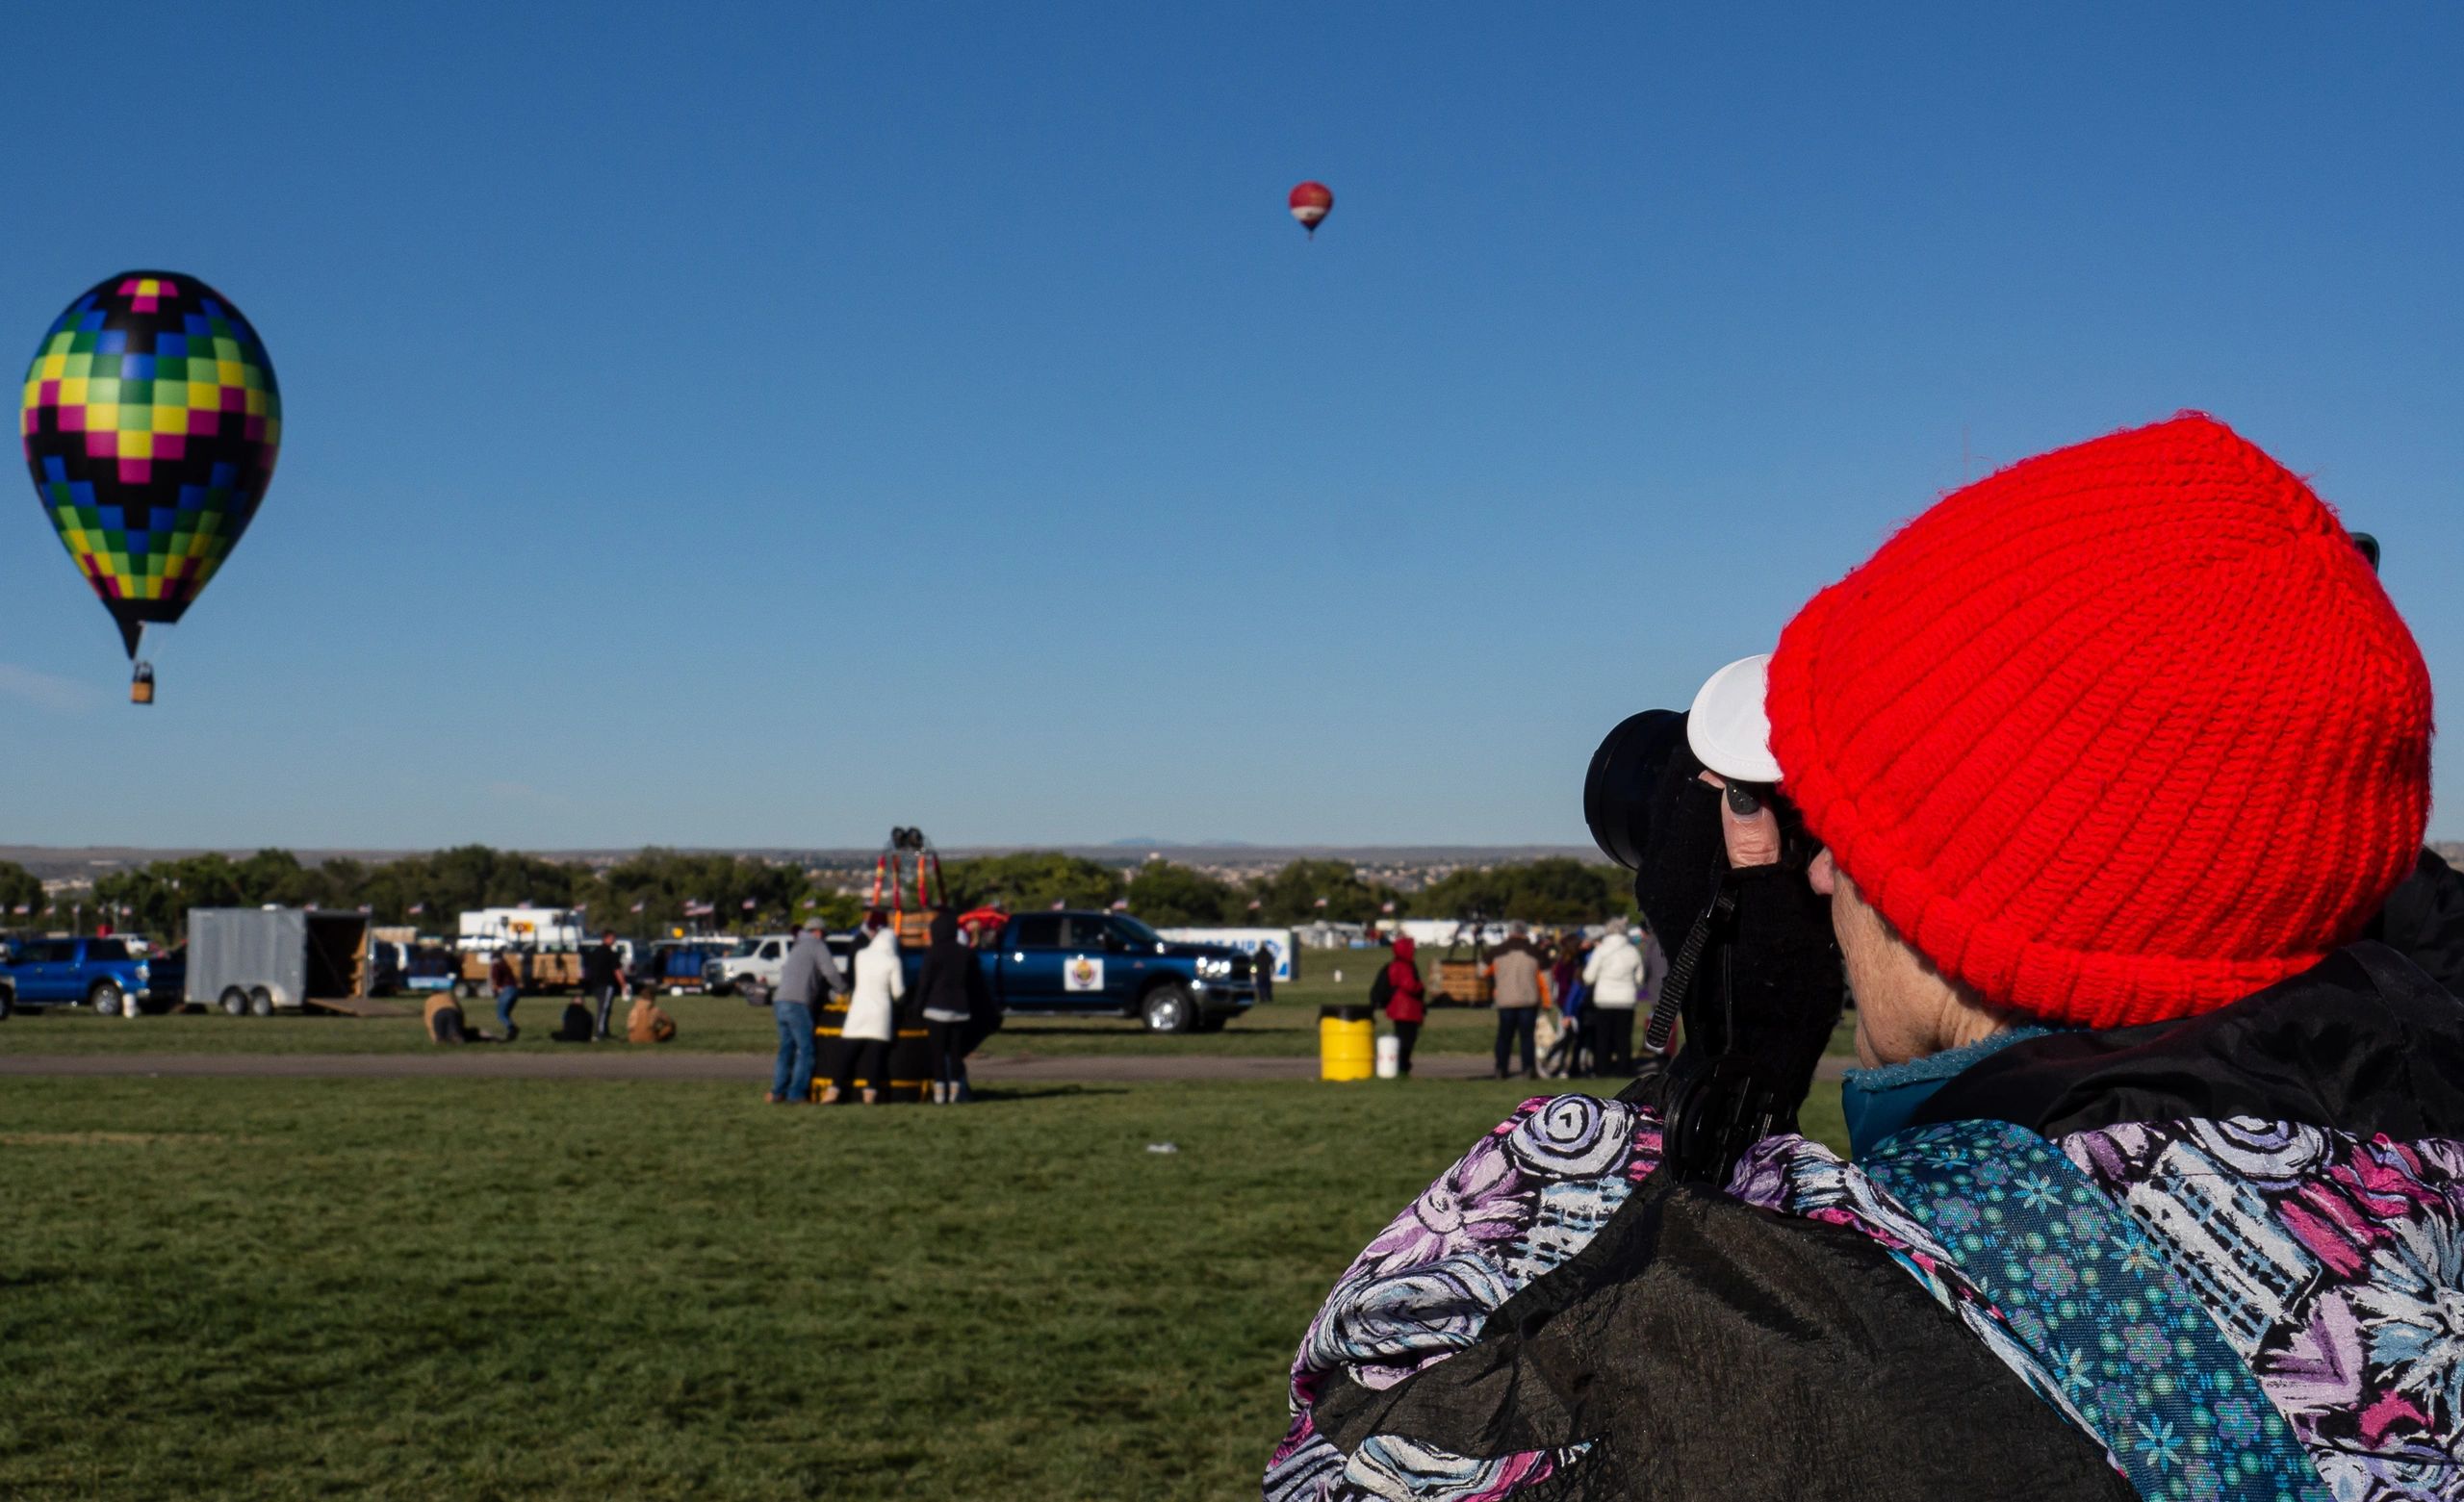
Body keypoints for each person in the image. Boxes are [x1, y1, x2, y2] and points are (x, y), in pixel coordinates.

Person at [1267, 415, 2452, 1501]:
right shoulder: (2415, 1178)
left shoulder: (1824, 1358)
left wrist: (1713, 1082)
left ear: (1971, 897)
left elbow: (1361, 1444)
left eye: (1842, 830)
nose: (1818, 874)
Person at [769, 920, 847, 1105]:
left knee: (786, 1049)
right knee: (806, 1050)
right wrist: (843, 988)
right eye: (825, 935)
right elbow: (830, 971)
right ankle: (796, 1094)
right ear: (818, 932)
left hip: (780, 1001)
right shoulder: (816, 944)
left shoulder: (797, 946)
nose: (825, 939)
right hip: (797, 1003)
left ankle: (778, 1091)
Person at [830, 917, 905, 1106]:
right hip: (881, 1013)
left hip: (858, 1010)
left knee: (846, 1054)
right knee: (874, 1057)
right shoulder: (893, 960)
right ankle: (869, 1094)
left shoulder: (861, 955)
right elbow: (898, 992)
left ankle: (833, 1090)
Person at [917, 908, 987, 1105]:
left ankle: (940, 1093)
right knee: (955, 1054)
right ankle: (956, 1091)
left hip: (935, 1009)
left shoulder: (932, 953)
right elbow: (974, 983)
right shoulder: (965, 953)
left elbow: (924, 983)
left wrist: (917, 1007)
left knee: (937, 1054)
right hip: (960, 1009)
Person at [1581, 919, 1660, 1074]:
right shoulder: (1632, 951)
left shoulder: (1601, 950)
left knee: (1603, 1037)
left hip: (1604, 1000)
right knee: (1623, 1037)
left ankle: (1602, 1068)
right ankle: (1624, 1068)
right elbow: (1639, 978)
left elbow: (1589, 976)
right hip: (1626, 999)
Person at [1484, 925, 1543, 1079]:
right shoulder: (1534, 951)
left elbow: (1481, 970)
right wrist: (1545, 1000)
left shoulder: (1497, 951)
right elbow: (1545, 977)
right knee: (1527, 1037)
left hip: (1505, 999)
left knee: (1504, 1036)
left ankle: (1500, 1068)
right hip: (1528, 1000)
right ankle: (1528, 1068)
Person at [1380, 935, 1426, 1076]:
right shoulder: (1404, 965)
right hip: (1406, 1009)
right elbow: (1409, 985)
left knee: (1402, 1037)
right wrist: (1420, 986)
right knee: (1407, 1040)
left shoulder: (1396, 964)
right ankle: (1402, 1066)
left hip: (1400, 1008)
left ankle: (1402, 1065)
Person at [582, 929, 626, 1041]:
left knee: (604, 1008)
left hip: (595, 984)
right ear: (607, 938)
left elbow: (588, 969)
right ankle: (599, 1033)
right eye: (613, 937)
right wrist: (623, 984)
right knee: (604, 1009)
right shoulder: (610, 953)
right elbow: (617, 970)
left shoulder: (595, 952)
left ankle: (605, 1031)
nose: (614, 940)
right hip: (606, 984)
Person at [488, 951, 521, 1042]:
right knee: (506, 1014)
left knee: (501, 1014)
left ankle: (513, 1029)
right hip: (514, 990)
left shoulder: (496, 965)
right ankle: (511, 1033)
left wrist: (495, 990)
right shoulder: (506, 965)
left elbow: (495, 980)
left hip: (506, 990)